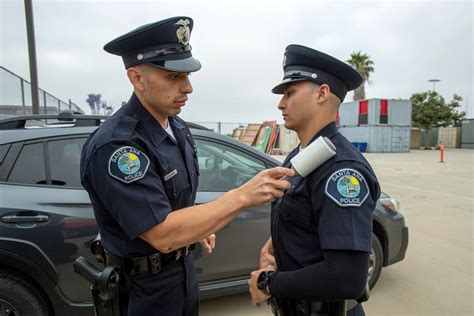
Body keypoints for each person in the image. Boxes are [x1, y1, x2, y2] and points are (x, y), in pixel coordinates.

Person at [80, 16, 294, 316]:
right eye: (173, 77)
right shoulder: (119, 147)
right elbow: (162, 234)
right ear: (137, 79)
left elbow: (173, 203)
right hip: (143, 292)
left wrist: (196, 228)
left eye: (188, 75)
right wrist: (241, 195)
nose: (188, 87)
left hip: (182, 277)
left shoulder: (177, 129)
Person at [248, 44, 381, 316]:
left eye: (290, 93)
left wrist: (268, 283)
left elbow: (347, 277)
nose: (280, 103)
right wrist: (276, 244)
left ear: (322, 93)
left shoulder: (342, 171)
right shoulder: (301, 155)